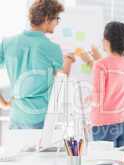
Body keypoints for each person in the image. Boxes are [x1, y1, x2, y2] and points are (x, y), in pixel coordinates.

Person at [0, 0, 75, 129]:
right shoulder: (52, 48)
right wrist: (68, 60)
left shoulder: (7, 43)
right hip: (39, 118)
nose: (57, 23)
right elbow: (62, 77)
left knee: (16, 149)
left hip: (16, 116)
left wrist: (4, 103)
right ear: (46, 19)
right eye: (57, 19)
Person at [90, 21, 124, 147]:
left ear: (107, 41)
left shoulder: (100, 65)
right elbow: (119, 88)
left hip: (104, 123)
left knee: (104, 163)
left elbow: (98, 97)